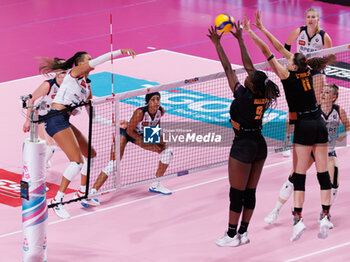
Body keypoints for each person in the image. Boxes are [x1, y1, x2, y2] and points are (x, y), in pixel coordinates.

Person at [244, 11, 335, 241]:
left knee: (300, 175)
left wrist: (250, 33)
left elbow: (268, 51)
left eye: (288, 59)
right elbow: (278, 46)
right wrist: (263, 28)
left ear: (292, 65)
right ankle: (324, 216)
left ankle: (298, 221)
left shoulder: (287, 75)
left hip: (303, 126)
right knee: (324, 173)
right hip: (319, 124)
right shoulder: (305, 68)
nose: (286, 59)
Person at [207, 22, 280, 247]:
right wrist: (240, 39)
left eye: (249, 77)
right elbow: (251, 70)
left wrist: (218, 44)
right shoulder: (262, 94)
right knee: (250, 191)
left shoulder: (244, 97)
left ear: (252, 85)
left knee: (236, 193)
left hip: (243, 146)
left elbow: (229, 69)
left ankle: (231, 236)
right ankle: (244, 232)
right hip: (260, 144)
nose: (247, 75)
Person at [40, 48, 136, 218]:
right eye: (88, 60)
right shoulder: (73, 74)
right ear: (80, 64)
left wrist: (115, 124)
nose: (91, 62)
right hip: (54, 119)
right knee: (76, 162)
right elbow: (98, 61)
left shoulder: (86, 88)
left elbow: (94, 117)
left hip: (64, 120)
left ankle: (83, 193)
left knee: (91, 155)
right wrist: (120, 51)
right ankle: (57, 201)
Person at [265, 84, 350, 225]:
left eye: (327, 92)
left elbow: (348, 125)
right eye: (321, 92)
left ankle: (325, 214)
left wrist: (342, 134)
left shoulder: (339, 111)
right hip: (311, 151)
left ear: (334, 97)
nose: (322, 94)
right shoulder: (314, 111)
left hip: (328, 152)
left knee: (334, 181)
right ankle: (276, 210)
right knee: (294, 178)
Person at [82, 92, 174, 207]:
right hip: (125, 132)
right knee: (114, 163)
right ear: (148, 102)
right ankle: (91, 194)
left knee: (168, 150)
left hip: (142, 133)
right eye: (153, 100)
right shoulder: (140, 113)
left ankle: (156, 183)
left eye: (158, 99)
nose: (156, 102)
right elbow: (130, 131)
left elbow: (155, 126)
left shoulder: (161, 111)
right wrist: (143, 144)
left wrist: (158, 141)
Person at [282, 8, 332, 157]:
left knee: (317, 104)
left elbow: (329, 55)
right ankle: (286, 142)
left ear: (318, 20)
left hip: (315, 72)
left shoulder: (324, 36)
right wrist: (290, 62)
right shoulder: (299, 31)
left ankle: (319, 137)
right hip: (299, 70)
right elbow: (286, 45)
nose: (310, 19)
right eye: (308, 17)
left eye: (313, 17)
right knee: (293, 107)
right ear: (305, 19)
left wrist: (319, 66)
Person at [23, 62, 67, 168]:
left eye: (65, 70)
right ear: (56, 71)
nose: (63, 73)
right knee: (50, 145)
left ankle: (43, 162)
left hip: (55, 118)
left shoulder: (68, 86)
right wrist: (28, 120)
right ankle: (38, 168)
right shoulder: (48, 85)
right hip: (41, 116)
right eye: (60, 70)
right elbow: (31, 99)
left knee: (58, 145)